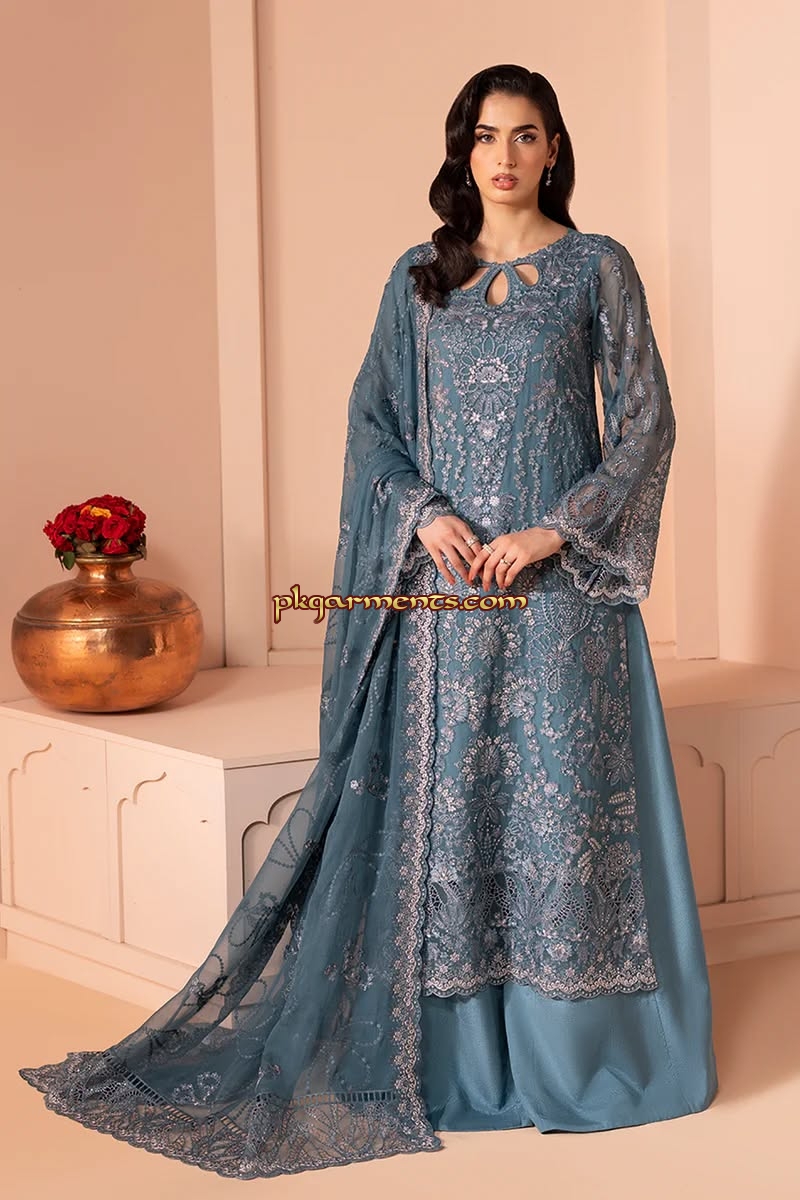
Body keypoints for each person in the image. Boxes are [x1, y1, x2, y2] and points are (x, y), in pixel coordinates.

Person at [19, 63, 718, 1179]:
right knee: (456, 821)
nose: (503, 155)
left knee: (560, 817)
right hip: (444, 605)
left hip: (558, 609)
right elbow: (372, 425)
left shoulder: (598, 267)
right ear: (461, 149)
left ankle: (577, 1055)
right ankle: (454, 1061)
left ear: (553, 148)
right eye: (484, 135)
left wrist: (553, 532)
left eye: (524, 134)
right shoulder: (419, 280)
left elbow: (645, 424)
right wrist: (426, 513)